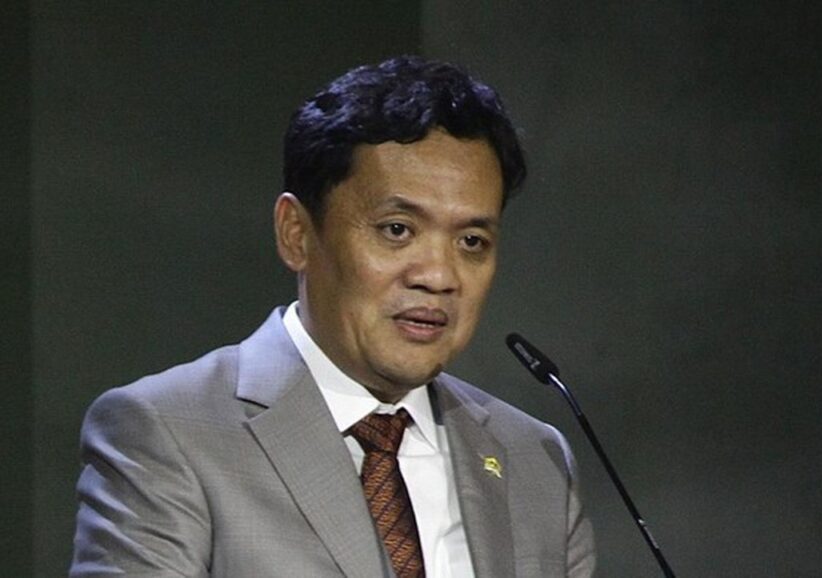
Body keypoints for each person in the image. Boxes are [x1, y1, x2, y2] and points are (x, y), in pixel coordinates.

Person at [70, 56, 596, 577]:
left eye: (472, 241)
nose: (439, 275)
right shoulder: (169, 434)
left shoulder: (534, 459)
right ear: (296, 233)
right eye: (397, 230)